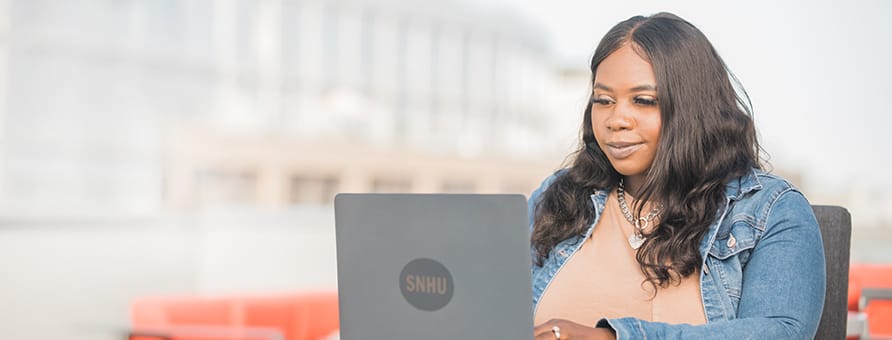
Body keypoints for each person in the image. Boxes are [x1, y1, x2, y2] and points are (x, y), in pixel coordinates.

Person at [528, 12, 826, 339]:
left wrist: (612, 337)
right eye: (603, 100)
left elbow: (778, 332)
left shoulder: (770, 211)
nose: (616, 119)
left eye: (643, 101)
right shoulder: (558, 198)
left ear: (693, 108)